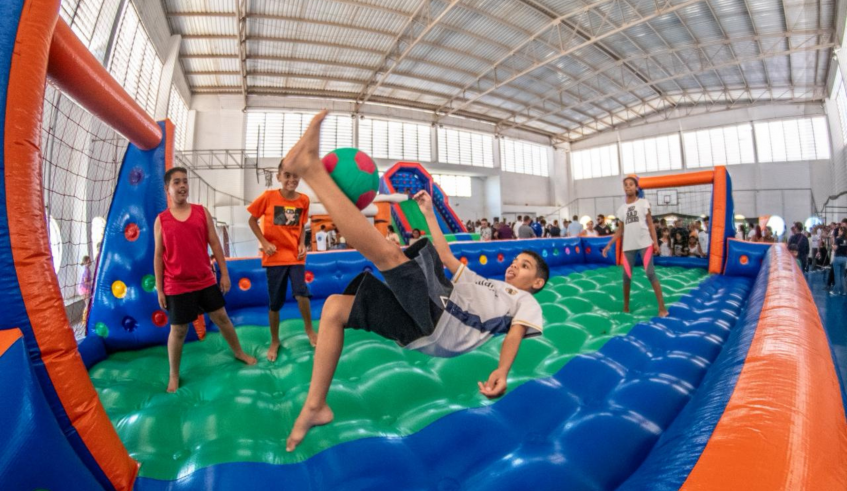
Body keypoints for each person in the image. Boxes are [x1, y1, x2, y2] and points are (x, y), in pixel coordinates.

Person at [281, 111, 549, 451]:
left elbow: (515, 333)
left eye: (524, 266)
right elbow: (447, 257)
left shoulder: (525, 301)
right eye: (514, 261)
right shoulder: (487, 284)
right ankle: (315, 406)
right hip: (424, 330)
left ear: (536, 282)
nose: (514, 267)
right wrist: (427, 214)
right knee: (335, 308)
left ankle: (311, 169)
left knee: (394, 259)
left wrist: (503, 369)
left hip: (445, 325)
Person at [155, 167, 256, 392]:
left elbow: (215, 244)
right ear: (167, 189)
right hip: (176, 284)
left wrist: (225, 273)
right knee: (179, 330)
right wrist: (160, 289)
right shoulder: (161, 220)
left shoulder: (201, 212)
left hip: (204, 280)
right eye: (176, 183)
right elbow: (158, 256)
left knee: (221, 317)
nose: (182, 186)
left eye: (185, 182)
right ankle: (174, 374)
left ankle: (238, 351)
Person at [248, 162, 317, 356]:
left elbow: (301, 226)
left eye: (295, 176)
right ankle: (275, 340)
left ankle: (309, 330)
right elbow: (252, 220)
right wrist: (264, 242)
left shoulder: (303, 200)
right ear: (278, 177)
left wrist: (303, 244)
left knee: (301, 292)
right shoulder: (268, 197)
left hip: (295, 256)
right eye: (287, 175)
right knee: (275, 303)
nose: (291, 180)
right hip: (274, 257)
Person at [602, 175, 668, 317]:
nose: (628, 186)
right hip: (628, 246)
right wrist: (608, 245)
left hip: (645, 243)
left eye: (631, 184)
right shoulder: (622, 209)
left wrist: (655, 242)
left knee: (650, 273)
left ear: (636, 187)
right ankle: (626, 306)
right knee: (626, 276)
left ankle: (662, 308)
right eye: (626, 185)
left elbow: (650, 224)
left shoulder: (643, 203)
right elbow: (620, 230)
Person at [832, 223, 847, 296]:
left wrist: (832, 245)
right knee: (842, 275)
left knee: (837, 275)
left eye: (839, 231)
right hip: (844, 258)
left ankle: (836, 291)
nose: (838, 232)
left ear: (842, 231)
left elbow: (835, 248)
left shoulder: (838, 239)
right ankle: (843, 291)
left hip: (838, 257)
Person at [78, 255, 93, 324]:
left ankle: (86, 319)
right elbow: (85, 281)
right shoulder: (86, 270)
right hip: (84, 290)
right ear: (86, 262)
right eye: (89, 261)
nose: (90, 262)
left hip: (83, 289)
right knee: (87, 305)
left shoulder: (85, 268)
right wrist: (92, 282)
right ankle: (85, 320)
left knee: (87, 304)